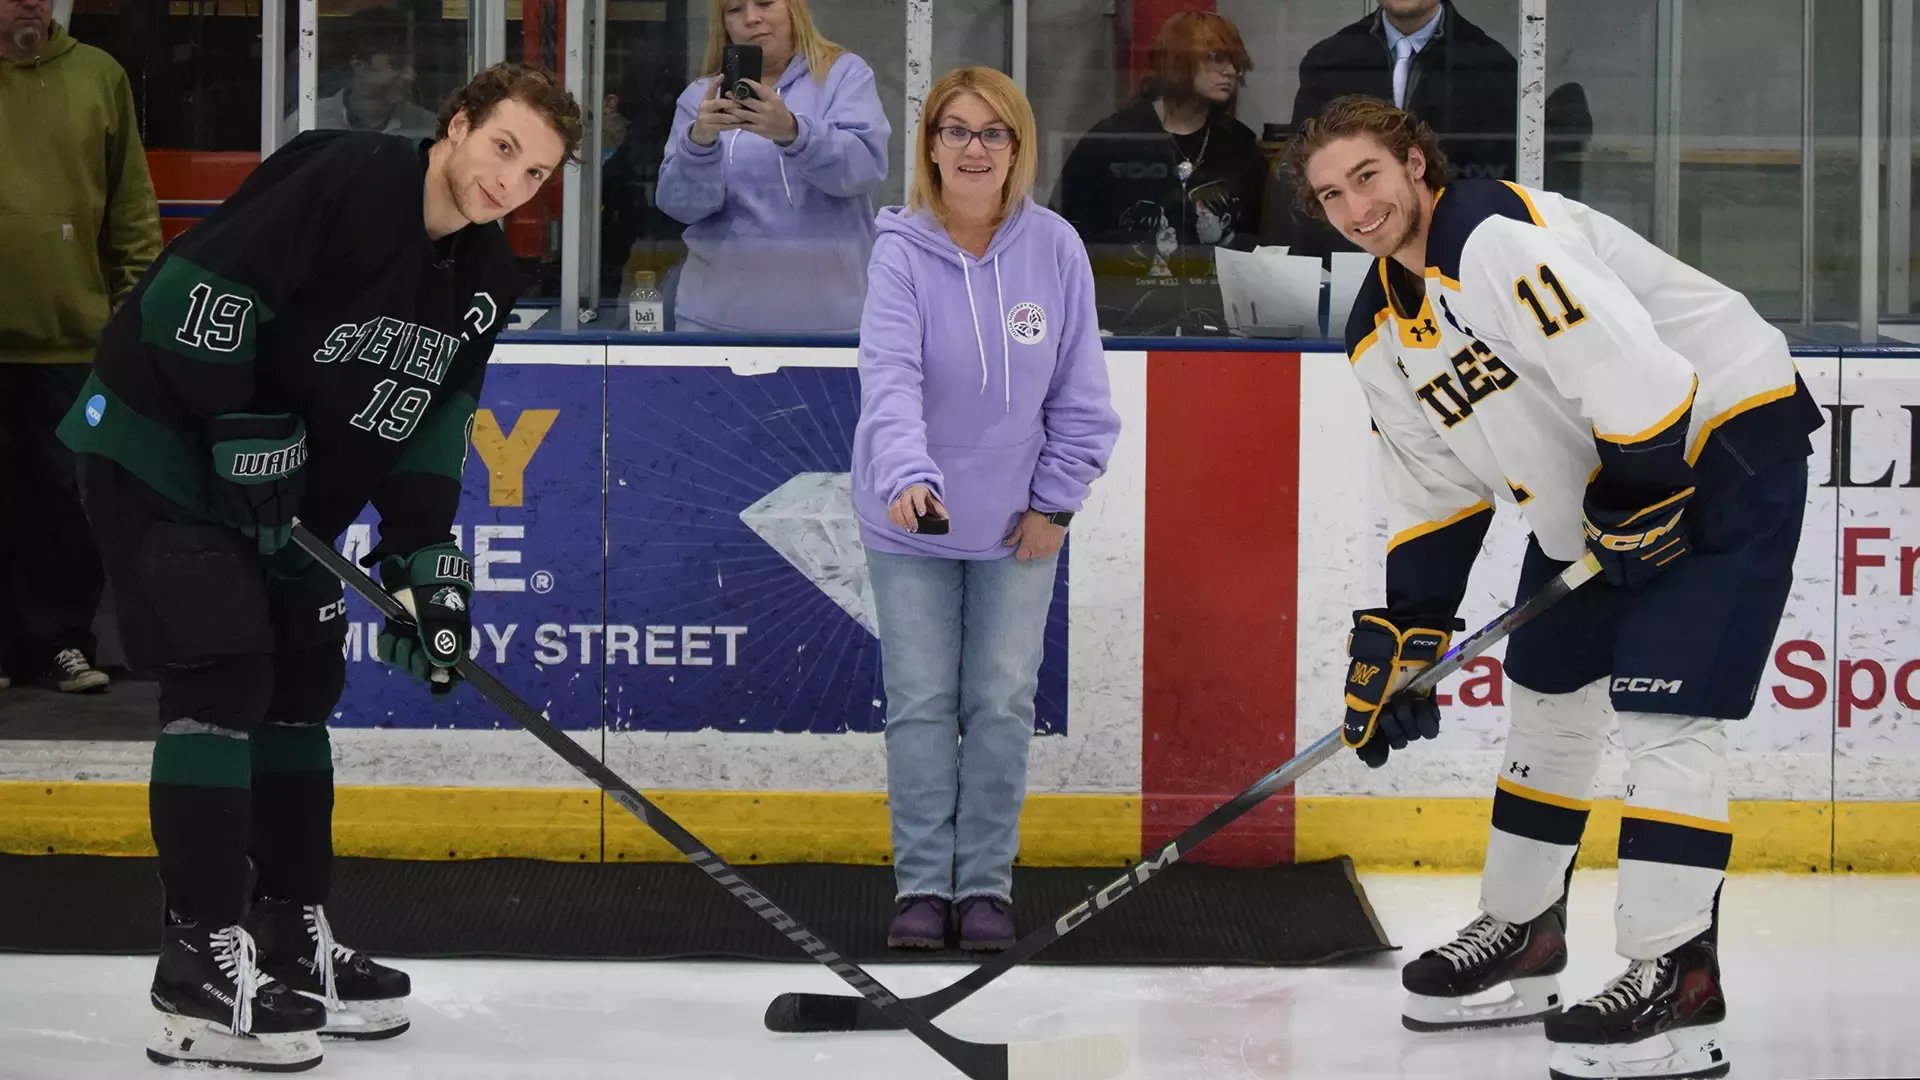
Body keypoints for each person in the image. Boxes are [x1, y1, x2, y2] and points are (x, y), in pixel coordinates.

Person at [58, 63, 581, 1071]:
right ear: (459, 127)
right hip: (159, 452)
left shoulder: (484, 282)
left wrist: (429, 561)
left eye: (537, 172)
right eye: (502, 148)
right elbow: (189, 296)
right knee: (225, 676)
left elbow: (434, 419)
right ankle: (197, 971)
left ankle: (290, 938)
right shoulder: (348, 178)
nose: (510, 182)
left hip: (276, 490)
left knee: (302, 682)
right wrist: (238, 421)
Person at [1286, 96, 1821, 1080]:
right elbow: (1436, 491)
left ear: (1414, 161)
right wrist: (1407, 635)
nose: (1357, 206)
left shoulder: (1488, 237)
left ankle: (1676, 979)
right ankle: (1525, 936)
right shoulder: (1378, 329)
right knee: (1544, 692)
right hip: (1606, 483)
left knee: (1667, 715)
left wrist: (1642, 492)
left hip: (1721, 442)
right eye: (1330, 195)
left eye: (1368, 175)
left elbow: (1640, 375)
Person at [852, 66, 1120, 953]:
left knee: (1001, 701)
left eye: (992, 132)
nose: (973, 148)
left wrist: (1059, 503)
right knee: (924, 701)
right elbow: (889, 378)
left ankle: (987, 888)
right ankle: (924, 887)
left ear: (1018, 147)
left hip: (1018, 525)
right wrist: (905, 476)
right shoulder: (900, 251)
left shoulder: (1056, 248)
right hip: (910, 515)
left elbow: (1081, 394)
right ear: (930, 145)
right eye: (955, 130)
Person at [0, 0, 159, 695]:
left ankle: (61, 642)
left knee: (66, 505)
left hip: (70, 340)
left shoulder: (100, 76)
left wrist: (131, 311)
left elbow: (130, 204)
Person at [656, 0, 889, 333]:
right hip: (715, 324)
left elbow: (863, 170)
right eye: (735, 10)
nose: (752, 18)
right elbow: (681, 207)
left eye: (765, 3)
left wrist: (794, 132)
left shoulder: (843, 74)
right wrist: (699, 144)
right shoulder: (701, 97)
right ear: (723, 24)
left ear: (794, 9)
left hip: (834, 325)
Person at [1052, 10, 1266, 336]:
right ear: (1179, 63)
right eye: (1217, 59)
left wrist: (1225, 239)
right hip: (1121, 323)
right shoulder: (1114, 140)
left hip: (1220, 328)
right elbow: (1066, 235)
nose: (1231, 71)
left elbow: (1266, 246)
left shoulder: (1240, 147)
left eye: (1235, 62)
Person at [1280, 0, 1516, 258]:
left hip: (1455, 260)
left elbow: (1495, 184)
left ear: (1417, 160)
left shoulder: (1495, 68)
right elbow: (1305, 180)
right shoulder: (1326, 61)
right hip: (1345, 264)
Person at [312, 7, 440, 143]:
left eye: (413, 66)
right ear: (358, 65)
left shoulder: (429, 129)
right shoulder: (312, 120)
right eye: (396, 64)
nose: (410, 76)